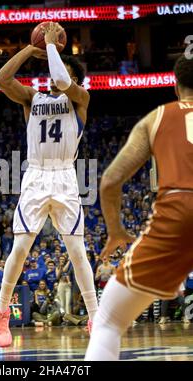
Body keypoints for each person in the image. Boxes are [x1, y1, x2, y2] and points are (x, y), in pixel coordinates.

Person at [0, 22, 98, 348]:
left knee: (77, 253)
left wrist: (52, 46)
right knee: (21, 248)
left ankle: (96, 317)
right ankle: (1, 311)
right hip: (37, 175)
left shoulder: (80, 98)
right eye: (52, 71)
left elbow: (66, 81)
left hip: (66, 176)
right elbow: (1, 80)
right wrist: (32, 48)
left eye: (60, 72)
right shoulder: (31, 98)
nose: (54, 77)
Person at [85, 55, 193, 361]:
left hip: (178, 212)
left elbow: (109, 182)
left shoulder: (157, 118)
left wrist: (116, 230)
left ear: (175, 86)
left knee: (108, 322)